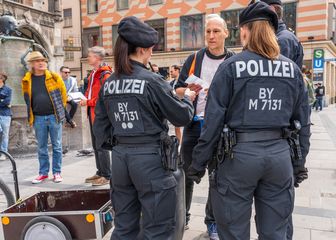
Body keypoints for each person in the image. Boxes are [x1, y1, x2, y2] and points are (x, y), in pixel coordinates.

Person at [187, 2, 310, 239]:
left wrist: (198, 164)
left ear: (244, 30)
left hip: (237, 159)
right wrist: (299, 163)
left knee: (233, 231)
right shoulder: (292, 70)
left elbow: (212, 122)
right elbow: (302, 123)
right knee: (276, 232)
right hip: (279, 158)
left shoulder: (230, 67)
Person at [93, 16, 195, 239]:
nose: (151, 53)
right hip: (151, 161)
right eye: (150, 49)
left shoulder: (109, 82)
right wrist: (187, 97)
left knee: (124, 227)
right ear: (141, 50)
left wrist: (122, 143)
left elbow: (99, 128)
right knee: (158, 228)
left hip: (121, 160)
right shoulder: (151, 80)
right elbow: (181, 116)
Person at [175, 13, 235, 237]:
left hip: (220, 128)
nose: (211, 36)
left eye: (216, 31)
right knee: (186, 173)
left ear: (226, 33)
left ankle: (212, 222)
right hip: (195, 124)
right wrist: (190, 92)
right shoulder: (194, 59)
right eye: (207, 31)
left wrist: (221, 93)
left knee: (216, 177)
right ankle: (183, 216)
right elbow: (178, 89)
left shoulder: (234, 60)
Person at [22, 51, 67, 184]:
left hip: (54, 117)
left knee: (57, 146)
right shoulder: (26, 80)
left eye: (43, 60)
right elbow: (27, 99)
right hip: (38, 118)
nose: (41, 62)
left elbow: (63, 96)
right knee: (41, 147)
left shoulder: (54, 77)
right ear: (32, 64)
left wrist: (59, 111)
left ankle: (57, 172)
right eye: (37, 61)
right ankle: (43, 173)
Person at [80, 46, 112, 186]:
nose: (88, 57)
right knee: (95, 145)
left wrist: (88, 101)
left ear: (98, 58)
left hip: (100, 115)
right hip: (93, 113)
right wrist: (84, 98)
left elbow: (105, 97)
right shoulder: (94, 73)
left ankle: (106, 175)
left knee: (101, 146)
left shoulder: (105, 74)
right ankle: (100, 171)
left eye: (90, 55)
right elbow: (90, 91)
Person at [261, 0, 304, 68]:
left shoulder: (282, 39)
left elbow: (276, 73)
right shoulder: (283, 37)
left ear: (271, 10)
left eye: (260, 12)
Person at [169, 65, 183, 143]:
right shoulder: (171, 83)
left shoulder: (184, 81)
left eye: (172, 71)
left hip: (184, 105)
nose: (170, 73)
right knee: (177, 127)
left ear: (177, 71)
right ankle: (179, 144)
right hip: (175, 106)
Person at [0, 72, 12, 161]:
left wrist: (4, 102)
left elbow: (7, 102)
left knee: (5, 135)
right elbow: (4, 102)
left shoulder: (8, 89)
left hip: (5, 115)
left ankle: (4, 153)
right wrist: (2, 100)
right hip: (4, 111)